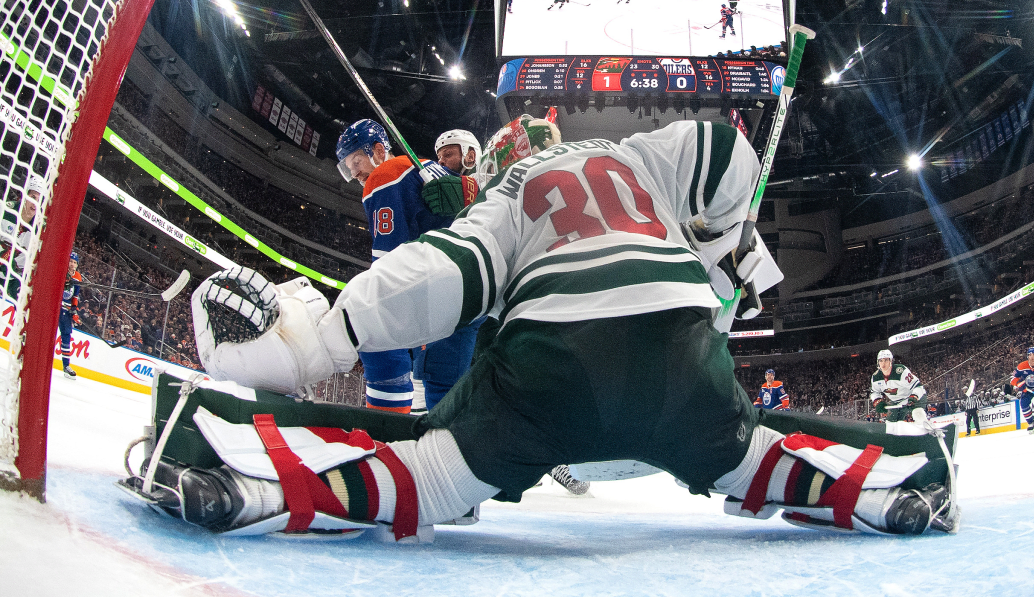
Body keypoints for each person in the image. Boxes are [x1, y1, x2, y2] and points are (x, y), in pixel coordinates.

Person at [166, 120, 957, 542]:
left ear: (510, 153)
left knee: (430, 473)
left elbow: (447, 274)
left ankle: (259, 494)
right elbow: (728, 150)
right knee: (750, 462)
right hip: (684, 349)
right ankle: (881, 503)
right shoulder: (634, 153)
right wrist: (717, 247)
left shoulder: (509, 191)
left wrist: (324, 337)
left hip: (556, 367)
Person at [334, 119, 480, 413]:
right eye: (347, 166)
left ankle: (387, 427)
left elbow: (388, 261)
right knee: (447, 382)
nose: (354, 172)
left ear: (377, 150)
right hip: (473, 285)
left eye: (356, 160)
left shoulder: (385, 175)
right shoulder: (426, 165)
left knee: (374, 337)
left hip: (439, 285)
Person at [869, 349, 926, 423]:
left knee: (918, 414)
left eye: (886, 360)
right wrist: (877, 401)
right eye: (881, 361)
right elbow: (874, 392)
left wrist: (914, 397)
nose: (883, 364)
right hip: (896, 402)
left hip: (914, 398)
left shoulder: (901, 371)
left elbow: (918, 387)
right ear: (878, 362)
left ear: (891, 361)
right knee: (890, 424)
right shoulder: (875, 377)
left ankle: (928, 429)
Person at [58, 251, 82, 379]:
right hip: (55, 307)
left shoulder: (78, 277)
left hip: (66, 310)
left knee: (66, 335)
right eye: (70, 261)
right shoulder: (61, 270)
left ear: (77, 265)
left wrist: (74, 308)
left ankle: (66, 365)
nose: (72, 264)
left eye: (74, 262)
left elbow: (75, 295)